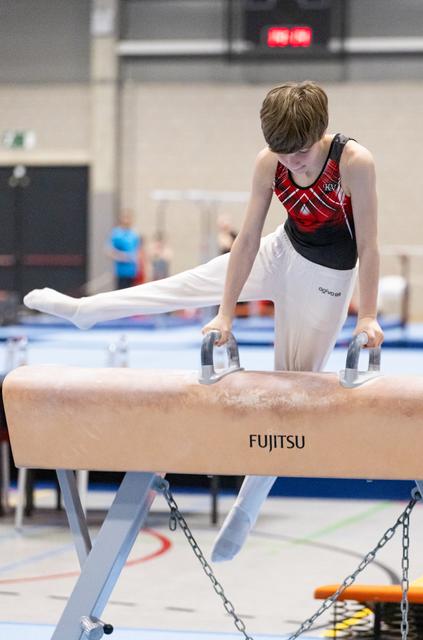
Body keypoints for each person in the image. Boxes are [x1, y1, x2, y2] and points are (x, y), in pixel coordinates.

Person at [23, 81, 383, 562]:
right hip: (281, 249)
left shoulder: (354, 162)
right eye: (282, 154)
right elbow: (249, 237)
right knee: (189, 282)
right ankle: (87, 312)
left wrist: (370, 317)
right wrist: (225, 313)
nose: (291, 164)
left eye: (298, 154)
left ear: (320, 133)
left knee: (292, 394)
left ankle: (245, 510)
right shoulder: (268, 162)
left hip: (329, 275)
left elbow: (370, 245)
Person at [106, 211, 140, 289]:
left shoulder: (134, 234)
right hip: (120, 271)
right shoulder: (116, 233)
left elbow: (136, 252)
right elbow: (108, 251)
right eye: (125, 218)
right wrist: (121, 256)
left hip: (132, 271)